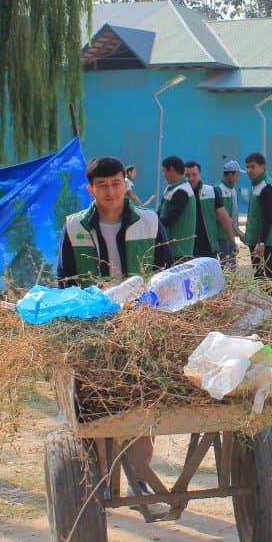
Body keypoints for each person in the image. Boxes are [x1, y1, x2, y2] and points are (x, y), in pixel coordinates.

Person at [57, 155, 174, 503]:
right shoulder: (74, 226)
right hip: (93, 325)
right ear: (91, 189)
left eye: (116, 183)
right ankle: (101, 476)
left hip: (142, 323)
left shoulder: (150, 222)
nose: (110, 191)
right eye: (102, 185)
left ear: (126, 184)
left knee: (139, 394)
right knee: (96, 399)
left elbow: (167, 271)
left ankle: (139, 473)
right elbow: (65, 280)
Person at [244, 152, 272, 284]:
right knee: (259, 277)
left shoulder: (266, 187)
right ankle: (264, 303)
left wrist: (261, 242)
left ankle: (267, 303)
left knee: (263, 277)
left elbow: (268, 217)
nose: (249, 170)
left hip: (265, 242)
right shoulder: (258, 185)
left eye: (253, 167)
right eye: (247, 167)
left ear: (263, 167)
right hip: (258, 240)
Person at [184, 160, 234, 260]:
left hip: (208, 247)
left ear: (200, 174)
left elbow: (224, 218)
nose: (191, 178)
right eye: (187, 175)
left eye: (194, 175)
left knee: (207, 276)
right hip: (185, 248)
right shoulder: (179, 193)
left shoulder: (212, 191)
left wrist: (232, 241)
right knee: (189, 276)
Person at [158, 155, 195, 260]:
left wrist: (154, 224)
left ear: (172, 170)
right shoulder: (172, 188)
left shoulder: (182, 191)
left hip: (179, 250)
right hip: (171, 247)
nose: (164, 175)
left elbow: (170, 218)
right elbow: (161, 212)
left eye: (164, 171)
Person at [218, 160, 246, 268]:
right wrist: (238, 234)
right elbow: (225, 218)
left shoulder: (231, 189)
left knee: (230, 267)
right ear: (229, 175)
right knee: (228, 268)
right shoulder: (220, 190)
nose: (237, 179)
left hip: (230, 235)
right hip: (223, 236)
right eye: (237, 176)